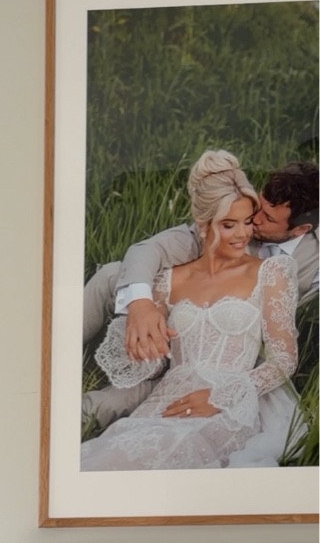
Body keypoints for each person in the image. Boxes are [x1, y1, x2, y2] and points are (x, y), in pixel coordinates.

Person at [80, 153, 298, 471]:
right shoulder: (169, 279)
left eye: (248, 221)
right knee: (113, 453)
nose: (243, 234)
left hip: (229, 406)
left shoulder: (271, 272)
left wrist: (222, 397)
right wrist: (146, 339)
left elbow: (284, 361)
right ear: (203, 224)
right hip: (167, 399)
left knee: (165, 455)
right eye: (228, 224)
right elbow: (152, 364)